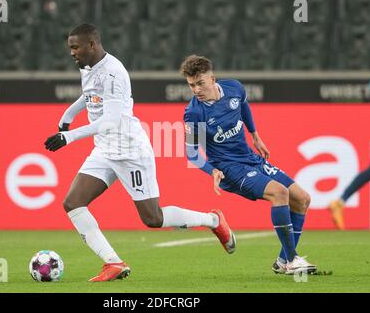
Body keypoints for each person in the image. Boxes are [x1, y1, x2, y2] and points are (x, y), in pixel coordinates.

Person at [44, 24, 236, 282]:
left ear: (92, 44)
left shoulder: (113, 73)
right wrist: (67, 115)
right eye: (70, 47)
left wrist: (68, 136)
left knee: (153, 218)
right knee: (72, 203)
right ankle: (113, 263)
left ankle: (213, 220)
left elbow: (111, 120)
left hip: (129, 150)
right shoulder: (88, 67)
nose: (72, 52)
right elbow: (89, 96)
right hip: (104, 150)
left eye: (75, 47)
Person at [180, 55, 317, 275]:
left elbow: (243, 107)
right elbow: (191, 153)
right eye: (191, 85)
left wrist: (255, 135)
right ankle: (292, 260)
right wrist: (212, 170)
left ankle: (283, 260)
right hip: (230, 169)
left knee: (302, 198)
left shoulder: (234, 88)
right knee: (280, 193)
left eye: (200, 83)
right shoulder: (194, 113)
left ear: (213, 78)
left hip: (250, 158)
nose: (196, 90)